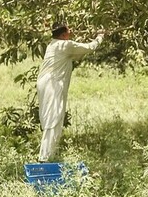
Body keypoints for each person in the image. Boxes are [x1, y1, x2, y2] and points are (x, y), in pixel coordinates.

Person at [37, 23, 104, 162]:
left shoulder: (53, 45)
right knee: (53, 119)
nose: (71, 31)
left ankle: (49, 155)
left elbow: (76, 55)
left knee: (52, 118)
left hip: (46, 83)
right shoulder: (65, 46)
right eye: (68, 30)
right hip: (52, 84)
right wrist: (100, 36)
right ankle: (44, 158)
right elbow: (90, 47)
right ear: (63, 35)